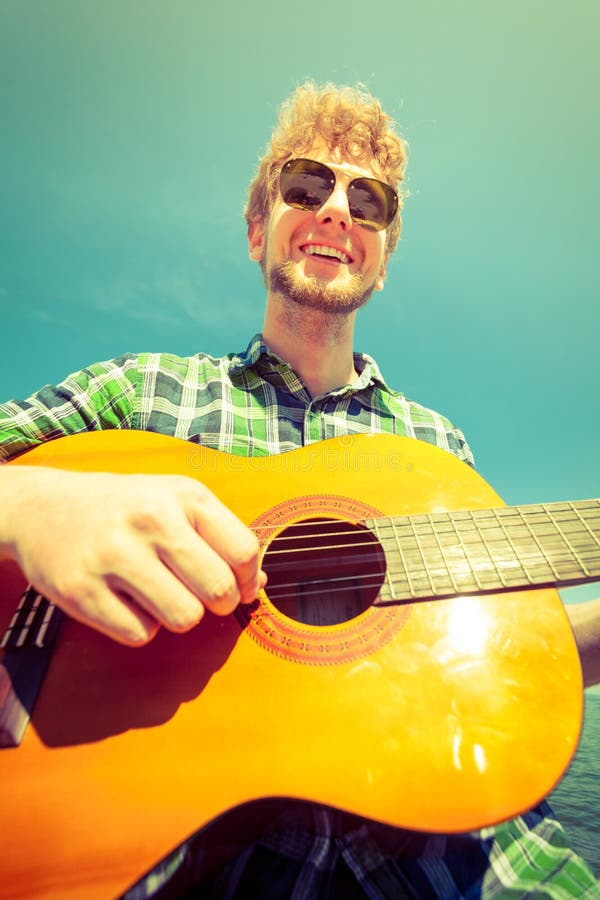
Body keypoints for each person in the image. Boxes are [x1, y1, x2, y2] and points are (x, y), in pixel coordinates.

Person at [0, 82, 598, 898]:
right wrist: (30, 507)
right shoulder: (143, 393)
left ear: (383, 256)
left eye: (370, 200)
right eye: (307, 187)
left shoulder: (439, 451)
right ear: (258, 229)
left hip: (465, 864)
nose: (338, 211)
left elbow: (501, 657)